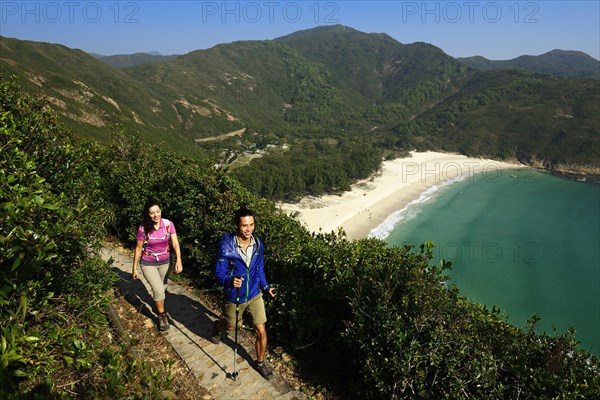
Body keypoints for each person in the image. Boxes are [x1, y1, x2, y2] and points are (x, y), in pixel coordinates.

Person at [212, 207, 276, 380]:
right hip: (236, 295)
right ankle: (218, 327)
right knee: (231, 326)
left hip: (255, 293)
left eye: (252, 225)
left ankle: (260, 363)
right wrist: (230, 280)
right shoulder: (227, 246)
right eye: (245, 226)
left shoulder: (258, 244)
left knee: (261, 329)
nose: (249, 229)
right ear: (236, 226)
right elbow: (219, 272)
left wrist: (266, 286)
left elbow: (259, 269)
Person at [132, 199, 183, 331]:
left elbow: (175, 243)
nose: (156, 215)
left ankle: (160, 305)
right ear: (147, 214)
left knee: (162, 288)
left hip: (165, 262)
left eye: (158, 212)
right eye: (152, 213)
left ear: (161, 210)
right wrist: (134, 268)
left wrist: (178, 260)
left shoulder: (168, 224)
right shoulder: (143, 228)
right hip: (148, 263)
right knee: (159, 290)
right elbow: (138, 249)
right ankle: (162, 315)